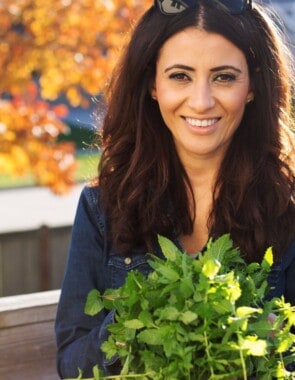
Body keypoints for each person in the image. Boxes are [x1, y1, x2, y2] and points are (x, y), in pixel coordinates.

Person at [55, 0, 295, 378]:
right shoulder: (103, 206)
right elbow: (71, 365)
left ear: (253, 86)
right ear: (152, 84)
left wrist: (271, 339)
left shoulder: (288, 206)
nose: (200, 101)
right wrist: (135, 321)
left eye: (224, 77)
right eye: (180, 76)